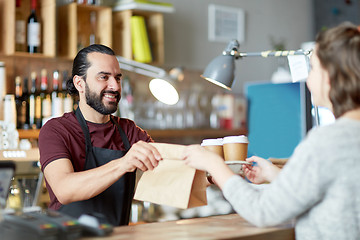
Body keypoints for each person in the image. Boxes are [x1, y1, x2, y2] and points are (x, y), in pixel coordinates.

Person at [182, 22, 360, 239]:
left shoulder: (327, 141)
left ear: (330, 77)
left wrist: (214, 165)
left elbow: (263, 211)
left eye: (313, 68)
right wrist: (277, 176)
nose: (308, 78)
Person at [38, 44, 162, 226]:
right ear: (80, 83)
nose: (114, 86)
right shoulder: (56, 130)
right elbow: (64, 190)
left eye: (117, 78)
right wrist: (123, 163)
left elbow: (166, 167)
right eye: (104, 77)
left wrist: (207, 172)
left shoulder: (129, 131)